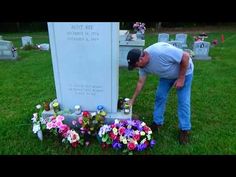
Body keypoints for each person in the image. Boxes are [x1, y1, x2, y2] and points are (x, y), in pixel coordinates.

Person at [127, 42, 194, 145]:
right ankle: (157, 123)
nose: (137, 68)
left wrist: (181, 78)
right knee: (160, 96)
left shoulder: (159, 52)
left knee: (183, 100)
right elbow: (140, 82)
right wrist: (133, 99)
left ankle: (184, 129)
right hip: (167, 75)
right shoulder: (143, 67)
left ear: (141, 59)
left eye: (135, 65)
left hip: (184, 71)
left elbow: (185, 57)